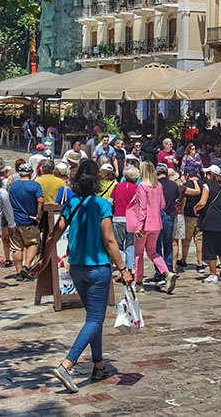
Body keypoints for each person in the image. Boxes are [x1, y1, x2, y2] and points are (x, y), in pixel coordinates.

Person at [34, 160, 134, 393]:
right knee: (96, 318)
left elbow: (53, 235)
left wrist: (44, 260)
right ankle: (67, 364)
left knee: (93, 317)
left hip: (76, 267)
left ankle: (98, 366)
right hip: (98, 267)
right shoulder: (101, 204)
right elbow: (109, 240)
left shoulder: (71, 203)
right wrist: (123, 268)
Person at [130, 161, 177, 293]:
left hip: (144, 224)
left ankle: (138, 282)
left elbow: (142, 208)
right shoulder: (158, 186)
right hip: (157, 224)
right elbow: (162, 205)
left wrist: (139, 226)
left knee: (139, 254)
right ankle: (167, 273)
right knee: (152, 252)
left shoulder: (142, 186)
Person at [195, 164, 221, 283]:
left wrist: (195, 208)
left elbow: (202, 202)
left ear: (211, 175)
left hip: (210, 220)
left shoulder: (207, 186)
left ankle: (213, 274)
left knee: (209, 247)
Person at [7, 162, 44, 280]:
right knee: (32, 243)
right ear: (30, 173)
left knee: (16, 247)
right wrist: (38, 216)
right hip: (29, 221)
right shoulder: (35, 186)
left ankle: (18, 272)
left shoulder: (13, 186)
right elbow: (41, 201)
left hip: (15, 221)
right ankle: (26, 267)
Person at [112, 165, 139, 271]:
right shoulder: (136, 188)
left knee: (118, 244)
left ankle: (120, 267)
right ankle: (130, 268)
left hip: (118, 218)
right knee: (130, 244)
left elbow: (110, 202)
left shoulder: (117, 186)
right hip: (131, 220)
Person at [180, 167, 205, 273]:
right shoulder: (203, 184)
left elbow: (184, 200)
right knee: (199, 240)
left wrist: (181, 210)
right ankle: (200, 263)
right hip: (201, 215)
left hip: (189, 215)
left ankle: (183, 260)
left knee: (186, 240)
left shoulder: (186, 186)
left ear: (187, 175)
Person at [156, 163, 179, 270]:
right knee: (168, 245)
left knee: (157, 247)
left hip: (156, 217)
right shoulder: (174, 185)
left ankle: (159, 273)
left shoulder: (154, 185)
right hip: (169, 217)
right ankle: (169, 270)